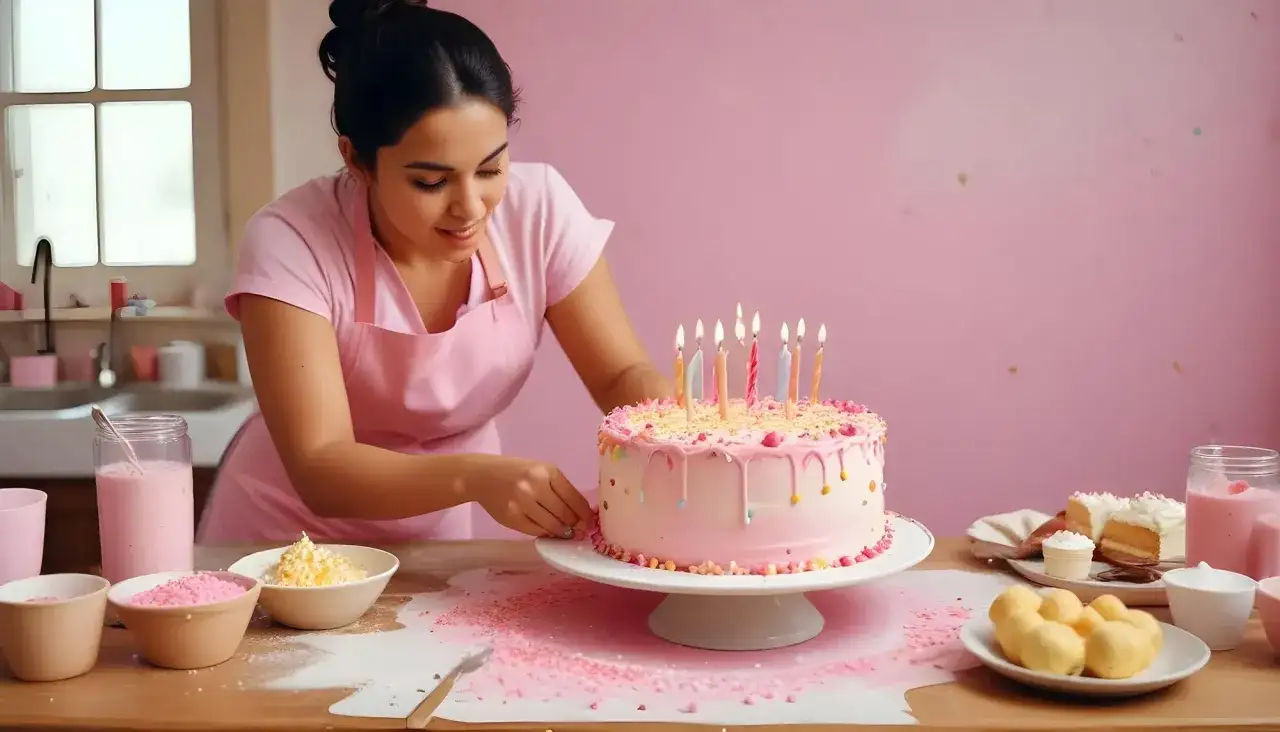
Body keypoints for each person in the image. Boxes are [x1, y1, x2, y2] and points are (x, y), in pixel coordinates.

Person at [197, 0, 670, 544]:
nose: (470, 207)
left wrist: (687, 440)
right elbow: (320, 463)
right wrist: (474, 477)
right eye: (431, 182)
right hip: (281, 539)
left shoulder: (539, 212)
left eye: (490, 168)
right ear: (356, 160)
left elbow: (619, 374)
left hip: (435, 537)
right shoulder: (291, 241)